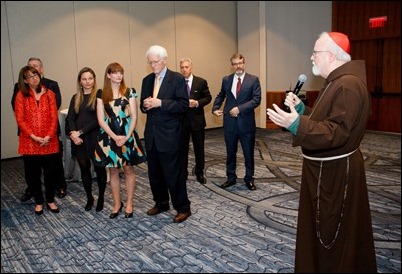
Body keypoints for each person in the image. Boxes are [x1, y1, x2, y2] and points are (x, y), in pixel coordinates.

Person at [267, 32, 377, 273]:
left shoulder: (347, 85)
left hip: (335, 175)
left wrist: (295, 124)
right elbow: (325, 118)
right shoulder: (338, 82)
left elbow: (337, 132)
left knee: (332, 232)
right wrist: (301, 109)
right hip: (328, 170)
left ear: (330, 55)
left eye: (315, 53)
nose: (312, 57)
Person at [140, 45, 191, 223]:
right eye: (150, 62)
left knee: (174, 174)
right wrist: (146, 105)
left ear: (164, 60)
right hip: (152, 135)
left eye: (155, 62)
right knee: (155, 174)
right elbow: (143, 106)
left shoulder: (176, 79)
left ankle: (183, 207)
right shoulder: (147, 80)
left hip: (170, 135)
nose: (152, 65)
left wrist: (160, 103)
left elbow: (183, 105)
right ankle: (161, 202)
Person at [94, 62, 145, 219]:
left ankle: (129, 203)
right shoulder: (101, 93)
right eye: (115, 73)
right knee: (113, 170)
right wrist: (115, 137)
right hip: (109, 137)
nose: (119, 75)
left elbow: (135, 116)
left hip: (127, 135)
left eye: (121, 73)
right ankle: (117, 203)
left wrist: (127, 137)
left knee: (129, 170)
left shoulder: (129, 92)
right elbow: (101, 120)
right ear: (108, 75)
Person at [11, 57, 67, 201]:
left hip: (49, 136)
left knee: (53, 167)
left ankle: (57, 190)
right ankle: (35, 196)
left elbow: (55, 111)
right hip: (29, 137)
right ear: (25, 79)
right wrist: (33, 135)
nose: (33, 76)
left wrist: (48, 135)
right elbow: (18, 114)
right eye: (29, 73)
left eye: (35, 70)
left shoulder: (50, 88)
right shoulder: (20, 91)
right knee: (31, 171)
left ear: (41, 70)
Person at [212, 53, 261, 191]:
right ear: (232, 65)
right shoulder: (226, 79)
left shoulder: (253, 80)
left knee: (248, 153)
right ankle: (231, 178)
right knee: (230, 153)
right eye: (234, 64)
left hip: (246, 124)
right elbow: (221, 95)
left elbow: (256, 100)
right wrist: (215, 108)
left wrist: (239, 109)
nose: (237, 66)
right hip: (229, 123)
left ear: (244, 63)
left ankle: (249, 179)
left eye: (240, 63)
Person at [66, 67, 107, 212]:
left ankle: (101, 196)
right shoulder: (75, 97)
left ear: (94, 79)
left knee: (99, 169)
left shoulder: (100, 95)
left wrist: (80, 132)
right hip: (79, 140)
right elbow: (70, 118)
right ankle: (90, 197)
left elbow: (98, 119)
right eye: (84, 79)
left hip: (95, 137)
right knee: (84, 169)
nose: (87, 81)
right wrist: (73, 134)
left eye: (90, 78)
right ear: (80, 81)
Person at [179, 58, 212, 184]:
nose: (184, 69)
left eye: (186, 67)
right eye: (182, 67)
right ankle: (183, 173)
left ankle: (199, 172)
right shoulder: (177, 82)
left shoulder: (201, 82)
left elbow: (208, 97)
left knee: (199, 148)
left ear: (191, 67)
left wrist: (198, 103)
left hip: (197, 121)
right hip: (181, 122)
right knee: (182, 149)